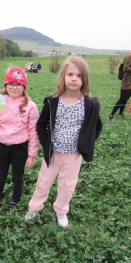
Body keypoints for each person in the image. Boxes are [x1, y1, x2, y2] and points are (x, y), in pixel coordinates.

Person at [25, 57, 102, 227]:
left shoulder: (90, 104)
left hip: (74, 155)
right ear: (63, 77)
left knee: (68, 186)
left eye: (79, 75)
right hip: (53, 153)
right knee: (43, 182)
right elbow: (41, 125)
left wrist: (85, 144)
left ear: (85, 80)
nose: (74, 78)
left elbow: (97, 127)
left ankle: (61, 210)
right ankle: (34, 207)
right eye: (70, 74)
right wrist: (46, 144)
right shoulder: (53, 101)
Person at [0, 67, 39, 210]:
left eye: (18, 84)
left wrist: (32, 155)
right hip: (2, 147)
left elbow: (33, 132)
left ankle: (15, 198)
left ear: (24, 86)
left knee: (18, 176)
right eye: (11, 83)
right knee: (0, 173)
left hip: (20, 149)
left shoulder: (30, 106)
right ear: (5, 85)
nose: (14, 87)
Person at [109, 43, 131, 120]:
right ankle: (111, 115)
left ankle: (121, 114)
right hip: (126, 82)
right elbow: (125, 69)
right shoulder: (129, 57)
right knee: (122, 99)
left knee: (126, 99)